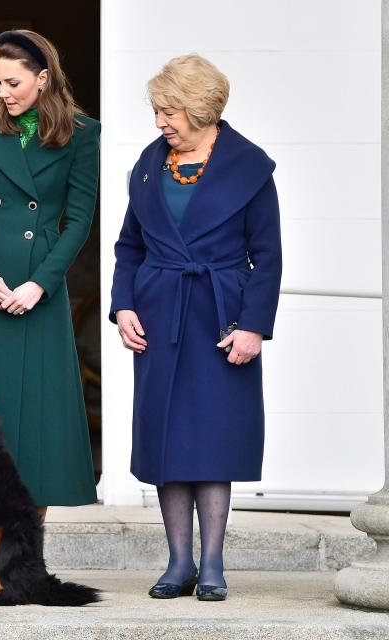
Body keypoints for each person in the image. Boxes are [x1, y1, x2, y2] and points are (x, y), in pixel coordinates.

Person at [109, 54, 282, 602]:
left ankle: (212, 565)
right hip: (159, 315)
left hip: (219, 316)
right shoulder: (148, 163)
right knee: (167, 438)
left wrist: (253, 326)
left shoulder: (249, 167)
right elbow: (129, 246)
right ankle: (177, 562)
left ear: (202, 108)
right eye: (159, 110)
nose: (161, 121)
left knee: (212, 437)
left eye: (171, 110)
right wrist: (123, 306)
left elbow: (268, 255)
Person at [0, 30, 100, 518]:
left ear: (42, 77)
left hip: (40, 289)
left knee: (38, 421)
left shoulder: (81, 132)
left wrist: (41, 282)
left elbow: (79, 218)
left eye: (13, 82)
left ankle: (24, 551)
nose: (4, 93)